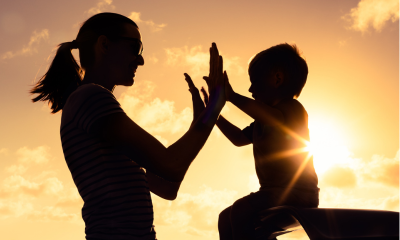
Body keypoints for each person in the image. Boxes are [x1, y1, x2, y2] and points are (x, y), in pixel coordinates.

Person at [30, 12, 227, 240]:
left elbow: (167, 187)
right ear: (104, 44)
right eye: (135, 47)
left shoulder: (95, 104)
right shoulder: (90, 98)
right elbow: (171, 166)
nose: (141, 60)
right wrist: (211, 113)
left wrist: (200, 123)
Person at [202, 43, 319, 240]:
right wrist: (213, 113)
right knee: (225, 218)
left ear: (277, 79)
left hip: (299, 194)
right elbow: (238, 139)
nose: (250, 88)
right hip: (271, 194)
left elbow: (274, 119)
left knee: (241, 210)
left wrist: (230, 96)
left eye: (254, 81)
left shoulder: (293, 109)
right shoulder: (261, 121)